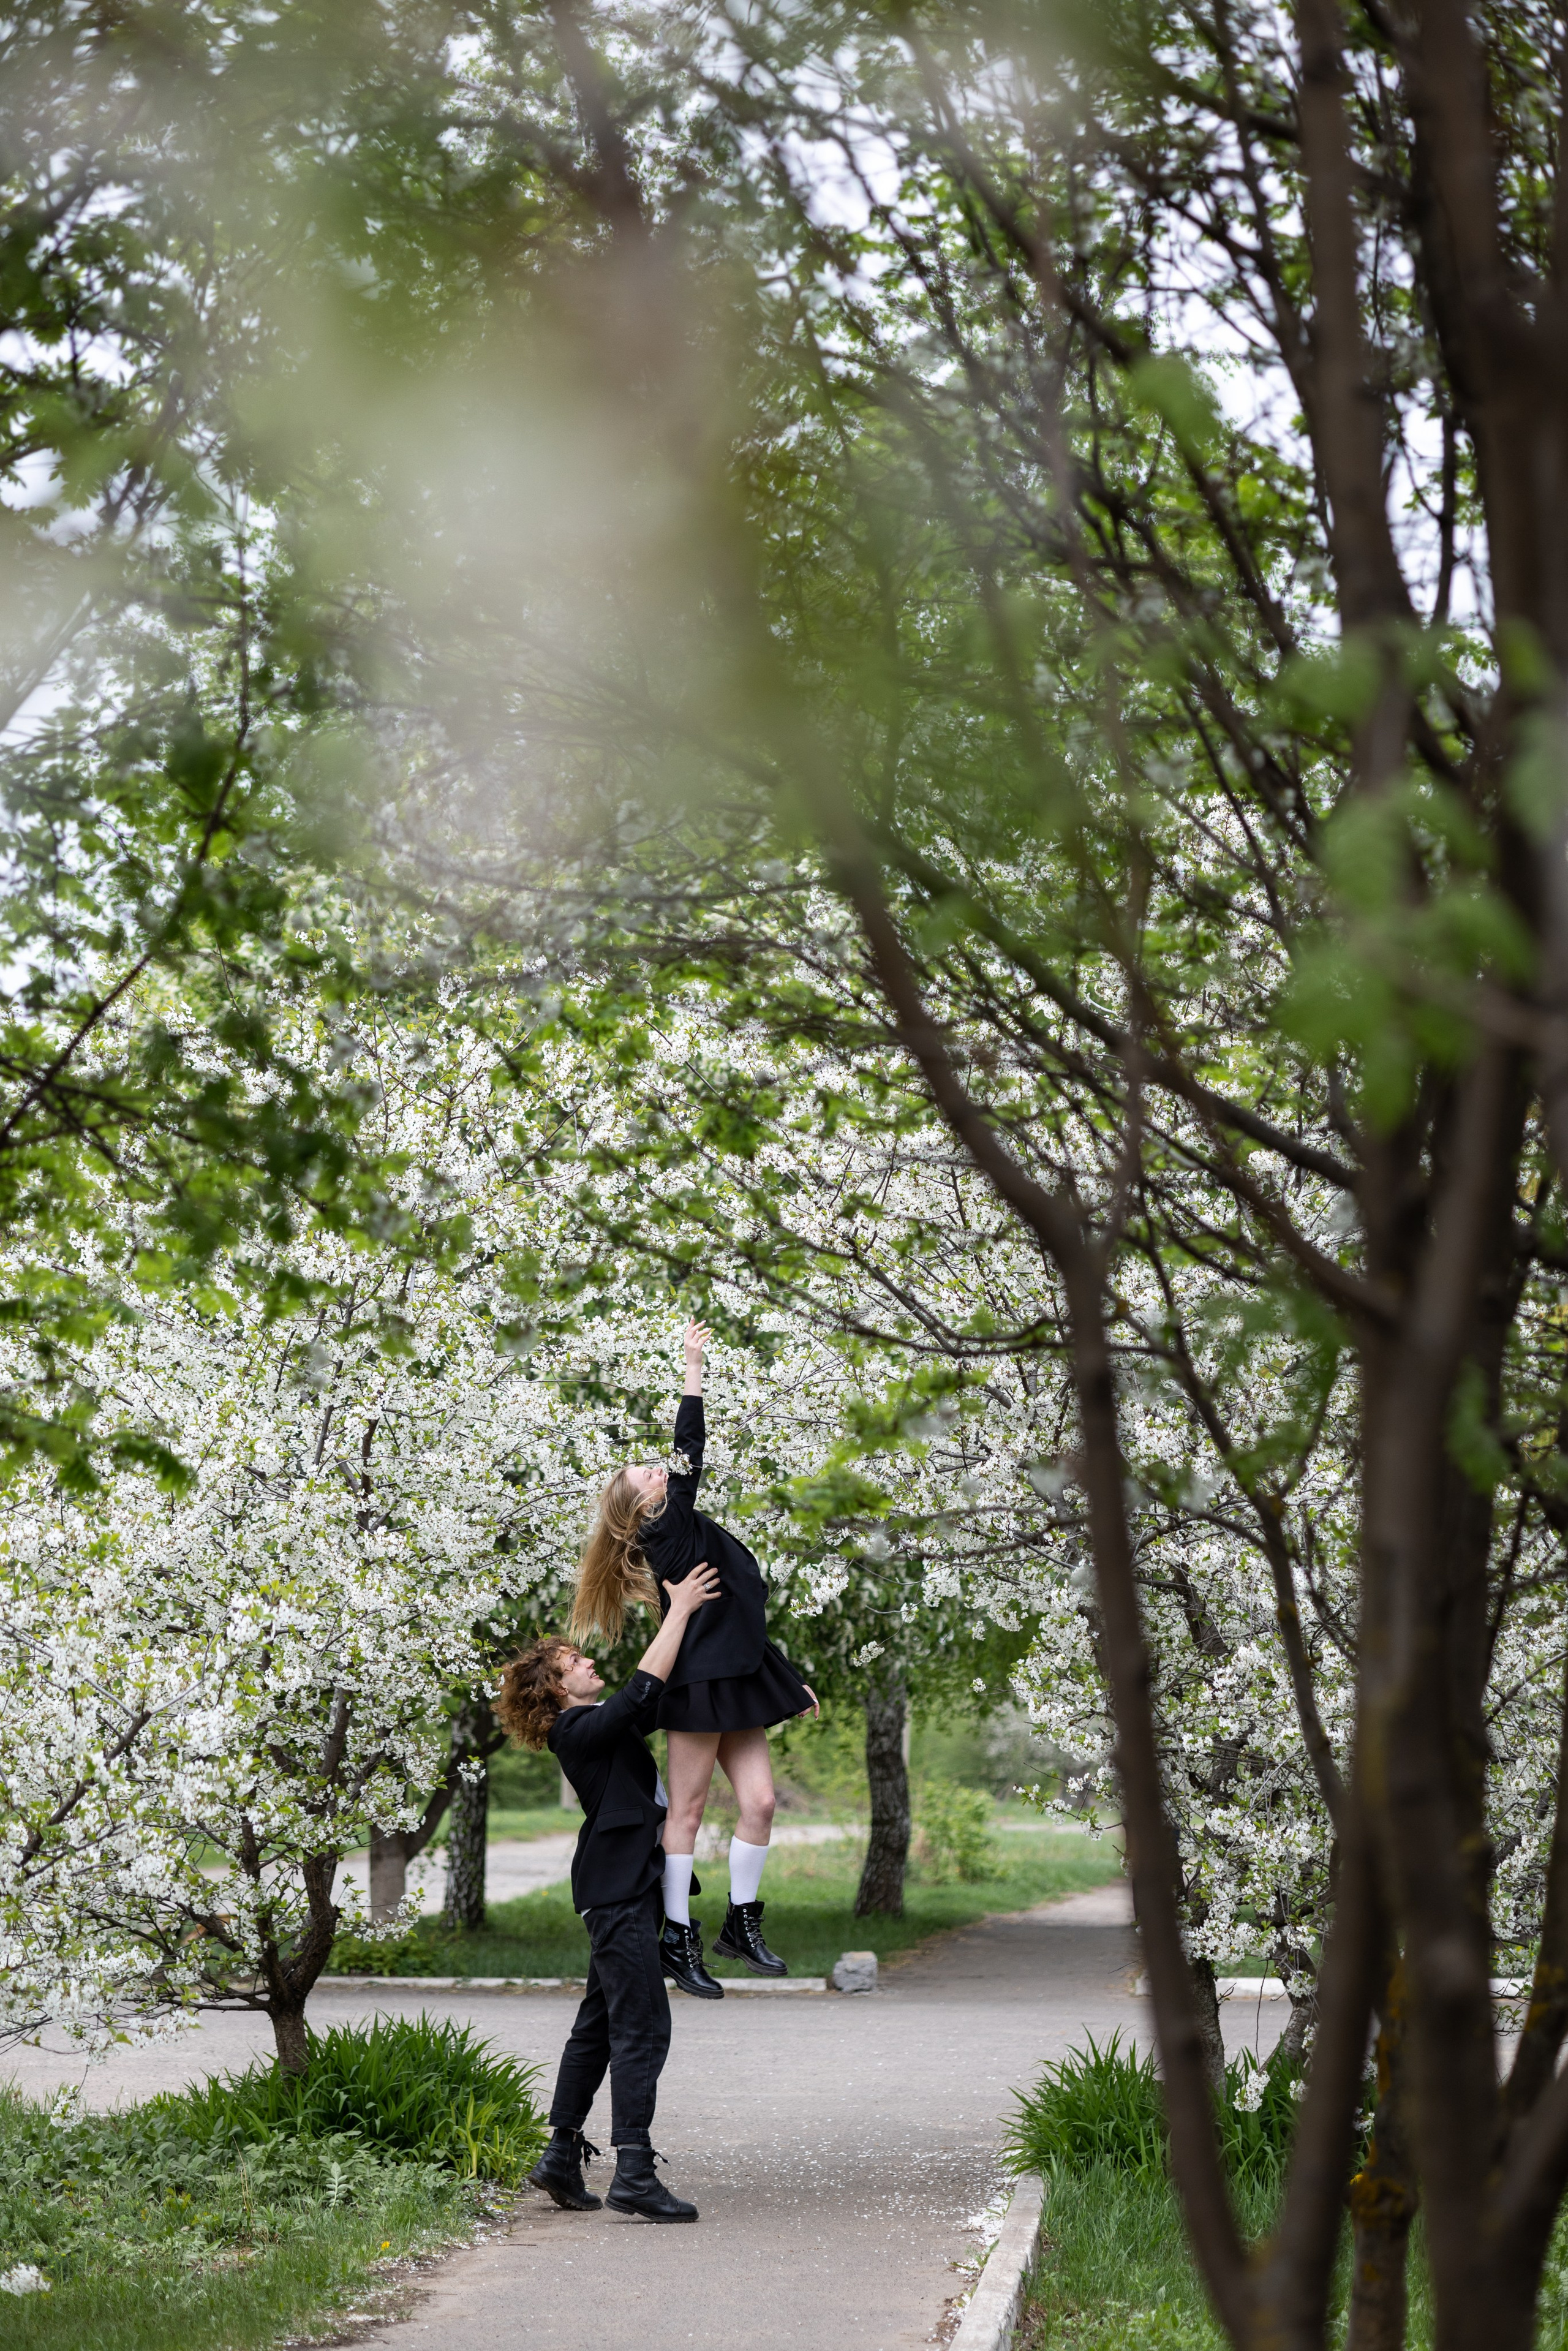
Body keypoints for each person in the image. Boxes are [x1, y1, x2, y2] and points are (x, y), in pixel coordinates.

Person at [571, 1319, 818, 1999]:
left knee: (761, 1802)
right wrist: (691, 1365)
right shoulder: (666, 1523)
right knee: (685, 1811)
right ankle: (677, 1937)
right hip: (698, 1684)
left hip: (737, 1672)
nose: (659, 1470)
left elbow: (731, 1607)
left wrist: (785, 1672)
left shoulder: (676, 1525)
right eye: (645, 1474)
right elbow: (690, 1449)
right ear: (641, 1503)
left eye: (653, 1467)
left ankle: (740, 1922)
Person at [495, 1557, 721, 2224]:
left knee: (596, 2026)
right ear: (554, 1688)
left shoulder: (596, 1727)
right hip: (618, 1892)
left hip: (621, 1888)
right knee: (641, 2025)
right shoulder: (575, 1730)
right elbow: (640, 1694)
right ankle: (635, 2169)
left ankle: (561, 2157)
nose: (589, 1663)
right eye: (574, 1662)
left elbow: (660, 1696)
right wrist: (678, 1609)